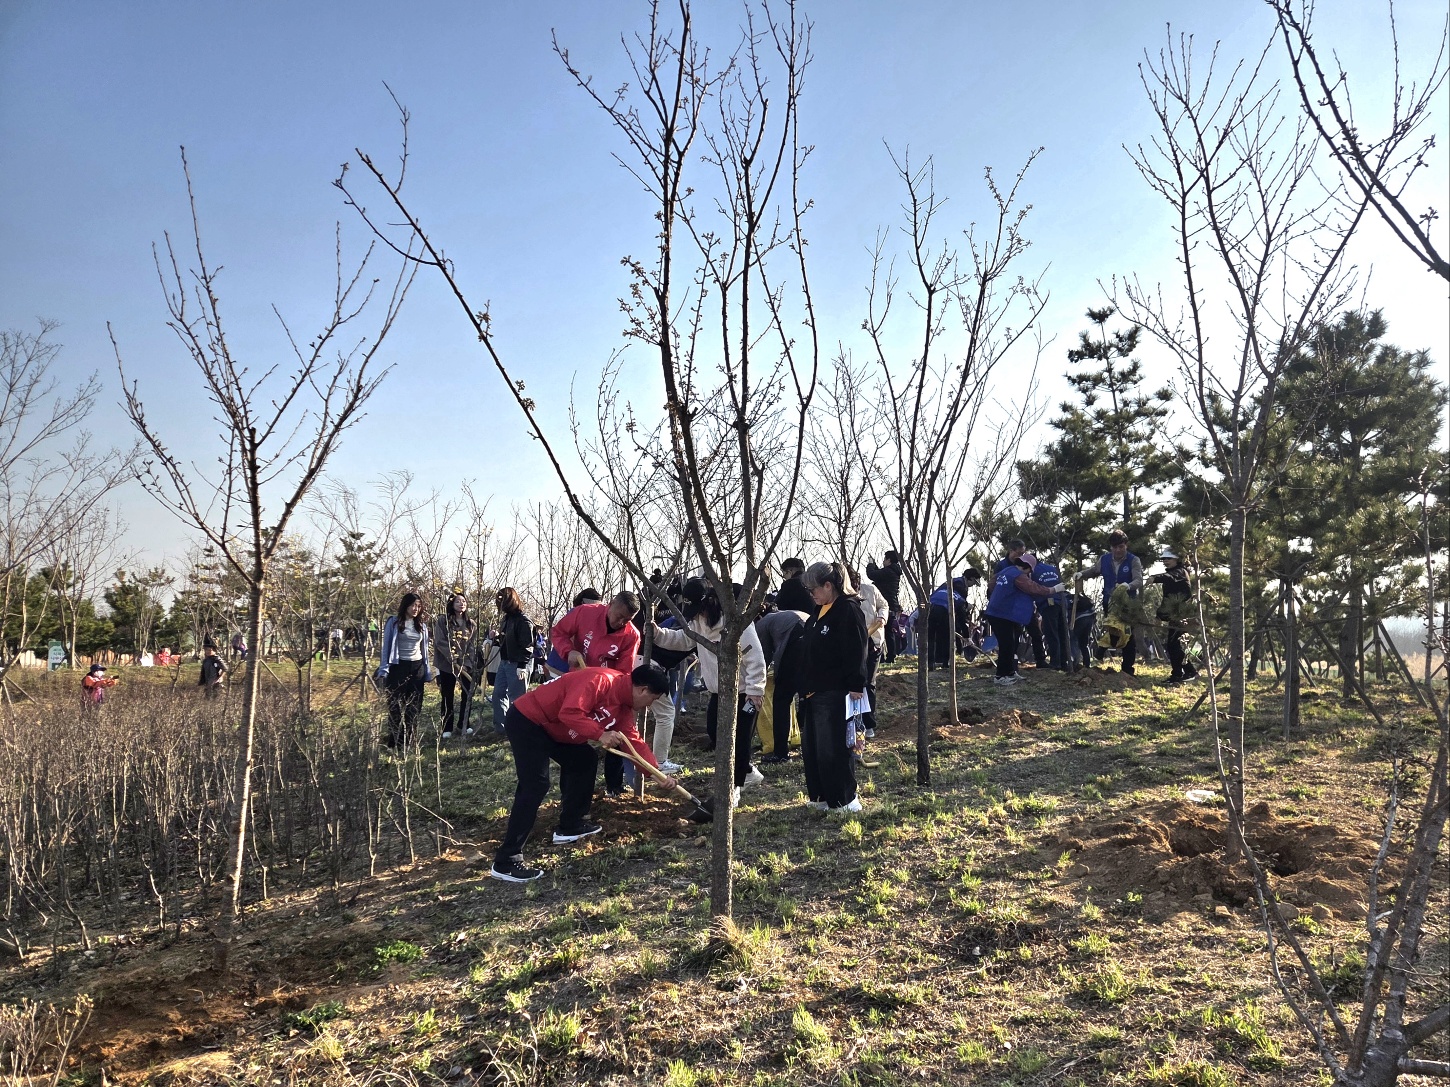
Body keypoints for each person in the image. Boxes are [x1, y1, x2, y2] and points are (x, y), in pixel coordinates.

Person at [490, 664, 673, 883]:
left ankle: (570, 825)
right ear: (642, 690)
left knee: (584, 759)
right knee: (535, 784)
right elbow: (569, 712)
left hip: (557, 731)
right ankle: (506, 861)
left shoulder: (623, 708)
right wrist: (600, 734)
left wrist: (657, 774)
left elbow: (634, 743)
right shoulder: (600, 680)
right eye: (652, 700)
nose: (648, 706)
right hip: (529, 720)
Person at [651, 579, 767, 807]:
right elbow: (683, 640)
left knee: (738, 742)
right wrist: (657, 634)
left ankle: (733, 789)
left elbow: (756, 659)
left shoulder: (735, 623)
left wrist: (755, 690)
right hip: (718, 692)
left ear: (712, 602)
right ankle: (748, 772)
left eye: (699, 610)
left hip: (744, 693)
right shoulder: (697, 623)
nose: (696, 615)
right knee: (717, 735)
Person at [796, 562, 870, 814]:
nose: (811, 594)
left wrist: (856, 684)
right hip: (812, 691)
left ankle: (844, 800)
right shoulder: (818, 611)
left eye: (814, 588)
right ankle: (820, 797)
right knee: (813, 749)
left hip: (836, 691)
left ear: (829, 585)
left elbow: (856, 649)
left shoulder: (848, 610)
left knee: (834, 748)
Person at [983, 553, 1062, 687]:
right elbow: (1034, 588)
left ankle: (1010, 672)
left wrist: (1000, 595)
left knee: (1011, 642)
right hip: (1000, 614)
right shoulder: (1019, 576)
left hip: (999, 612)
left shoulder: (1006, 571)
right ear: (1028, 569)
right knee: (1006, 644)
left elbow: (992, 583)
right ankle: (1001, 675)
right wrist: (1053, 589)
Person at [1082, 530, 1145, 674]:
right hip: (1108, 602)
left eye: (1121, 547)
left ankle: (1127, 669)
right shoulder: (1104, 559)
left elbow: (1138, 580)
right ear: (1111, 547)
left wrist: (1128, 585)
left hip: (1128, 604)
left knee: (1128, 636)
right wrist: (1081, 574)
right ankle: (1101, 649)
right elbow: (1094, 571)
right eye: (1115, 547)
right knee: (1113, 629)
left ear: (1126, 545)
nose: (1118, 550)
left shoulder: (1133, 560)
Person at [754, 603, 809, 765]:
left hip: (796, 643)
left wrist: (756, 683)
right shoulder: (788, 613)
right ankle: (810, 749)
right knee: (808, 697)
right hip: (814, 637)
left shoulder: (763, 623)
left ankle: (781, 753)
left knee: (781, 700)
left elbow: (762, 659)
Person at [377, 592, 433, 748]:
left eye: (418, 606)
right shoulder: (394, 622)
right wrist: (384, 669)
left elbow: (425, 650)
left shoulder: (421, 625)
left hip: (417, 667)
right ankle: (395, 739)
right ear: (405, 605)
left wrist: (427, 671)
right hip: (397, 667)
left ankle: (409, 739)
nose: (415, 609)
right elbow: (386, 647)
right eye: (413, 605)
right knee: (394, 705)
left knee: (414, 706)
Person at [849, 564, 890, 744]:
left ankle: (869, 723)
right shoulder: (842, 597)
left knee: (869, 682)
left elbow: (884, 605)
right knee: (854, 683)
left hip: (873, 641)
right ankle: (853, 721)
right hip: (853, 644)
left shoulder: (870, 590)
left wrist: (882, 617)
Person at [1149, 550, 1200, 685]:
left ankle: (1189, 672)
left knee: (1175, 646)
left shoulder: (1180, 572)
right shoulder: (1173, 574)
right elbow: (1167, 599)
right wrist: (1159, 616)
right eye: (1163, 559)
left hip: (1183, 616)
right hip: (1175, 616)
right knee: (1173, 646)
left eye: (1168, 558)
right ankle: (1178, 674)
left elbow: (1169, 577)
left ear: (1177, 559)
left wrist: (1155, 578)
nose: (1165, 561)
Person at [433, 592, 479, 739]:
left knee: (467, 694)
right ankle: (447, 726)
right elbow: (440, 641)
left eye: (464, 601)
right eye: (458, 601)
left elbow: (471, 646)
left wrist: (465, 663)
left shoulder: (471, 624)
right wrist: (453, 659)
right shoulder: (443, 621)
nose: (461, 603)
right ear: (451, 604)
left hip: (466, 666)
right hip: (447, 664)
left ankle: (463, 724)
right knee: (448, 695)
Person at [493, 588, 535, 735]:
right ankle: (502, 728)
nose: (499, 602)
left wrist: (522, 665)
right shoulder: (506, 619)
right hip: (505, 662)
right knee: (498, 694)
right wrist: (496, 638)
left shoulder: (523, 620)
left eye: (502, 599)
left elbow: (528, 645)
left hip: (517, 663)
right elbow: (507, 641)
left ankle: (520, 730)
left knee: (517, 698)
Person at [1033, 553, 1069, 671]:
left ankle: (1055, 663)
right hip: (1062, 602)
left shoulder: (1032, 571)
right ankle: (1065, 663)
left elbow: (1032, 589)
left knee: (1052, 634)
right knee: (1063, 634)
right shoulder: (1052, 568)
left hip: (1048, 604)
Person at [866, 551, 904, 662]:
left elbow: (872, 575)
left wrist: (870, 564)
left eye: (885, 559)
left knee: (883, 631)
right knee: (889, 632)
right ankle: (890, 656)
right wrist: (875, 566)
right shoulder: (893, 572)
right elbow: (879, 574)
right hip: (892, 604)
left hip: (885, 605)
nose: (883, 561)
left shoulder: (889, 572)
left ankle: (884, 657)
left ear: (889, 560)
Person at [926, 578, 966, 669]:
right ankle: (945, 663)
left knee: (931, 639)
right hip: (944, 612)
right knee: (946, 638)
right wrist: (966, 636)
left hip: (930, 610)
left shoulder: (939, 591)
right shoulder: (959, 598)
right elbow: (962, 620)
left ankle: (930, 664)